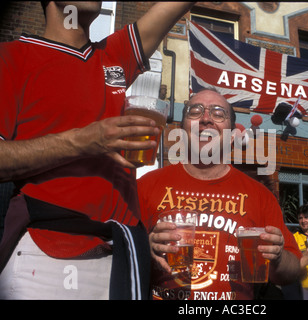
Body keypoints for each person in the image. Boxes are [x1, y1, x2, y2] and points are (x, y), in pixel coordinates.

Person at [0, 1, 195, 300]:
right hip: (47, 252)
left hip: (120, 255)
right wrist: (84, 141)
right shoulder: (11, 57)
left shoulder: (113, 56)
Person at [137, 88, 301, 300]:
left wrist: (277, 258)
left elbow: (292, 271)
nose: (205, 118)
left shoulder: (259, 195)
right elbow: (118, 254)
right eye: (195, 111)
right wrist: (144, 247)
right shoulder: (147, 185)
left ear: (233, 136)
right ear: (182, 129)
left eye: (217, 113)